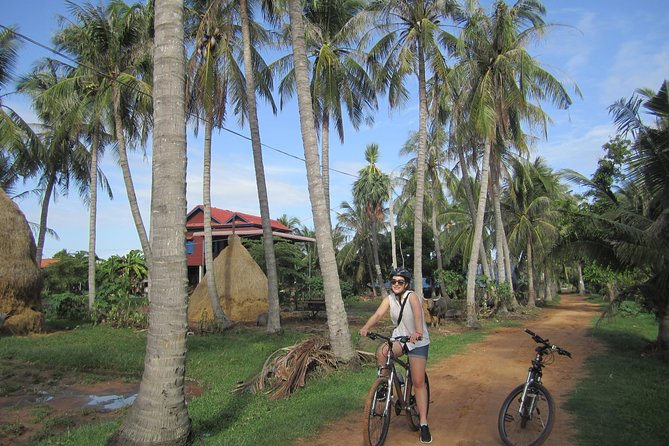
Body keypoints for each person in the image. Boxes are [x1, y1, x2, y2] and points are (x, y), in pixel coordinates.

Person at [359, 268, 432, 444]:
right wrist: (366, 327)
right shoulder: (389, 299)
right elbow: (377, 314)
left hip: (417, 341)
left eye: (400, 282)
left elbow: (417, 315)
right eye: (393, 282)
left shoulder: (412, 296)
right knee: (382, 352)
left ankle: (423, 423)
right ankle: (388, 383)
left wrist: (418, 332)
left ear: (406, 284)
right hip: (400, 338)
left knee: (418, 382)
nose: (396, 285)